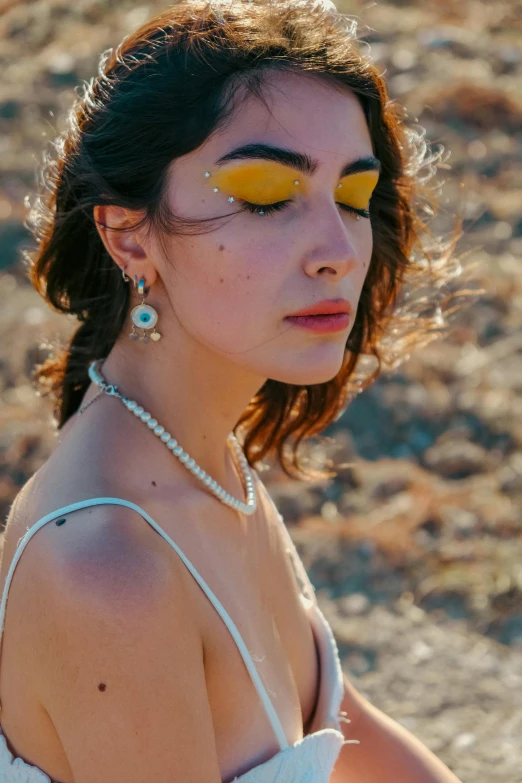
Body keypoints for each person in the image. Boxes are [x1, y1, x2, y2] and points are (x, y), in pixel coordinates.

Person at [0, 0, 469, 780]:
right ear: (128, 234)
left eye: (352, 198)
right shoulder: (108, 565)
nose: (337, 251)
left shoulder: (203, 463)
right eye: (265, 193)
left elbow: (349, 734)